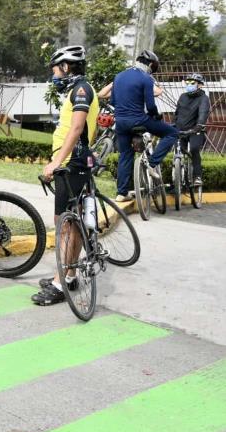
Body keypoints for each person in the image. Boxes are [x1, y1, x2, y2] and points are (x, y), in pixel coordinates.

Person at [32, 45, 99, 306]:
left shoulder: (81, 90)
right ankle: (69, 275)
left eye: (56, 69)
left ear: (67, 67)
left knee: (65, 225)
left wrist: (56, 162)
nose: (54, 75)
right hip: (73, 162)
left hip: (71, 163)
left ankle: (62, 284)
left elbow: (77, 128)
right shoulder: (79, 89)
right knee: (73, 222)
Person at [111, 49, 178, 202]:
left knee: (125, 155)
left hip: (120, 122)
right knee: (172, 133)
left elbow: (113, 101)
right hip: (139, 120)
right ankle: (153, 164)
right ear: (150, 65)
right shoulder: (146, 78)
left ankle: (122, 193)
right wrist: (156, 116)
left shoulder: (119, 76)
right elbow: (150, 105)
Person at [174, 73, 210, 186]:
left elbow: (203, 113)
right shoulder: (182, 96)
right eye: (187, 83)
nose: (189, 85)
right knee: (178, 152)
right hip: (181, 130)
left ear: (200, 85)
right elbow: (177, 113)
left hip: (196, 130)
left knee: (194, 149)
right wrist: (174, 125)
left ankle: (197, 177)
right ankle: (177, 180)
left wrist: (199, 125)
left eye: (192, 83)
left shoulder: (204, 98)